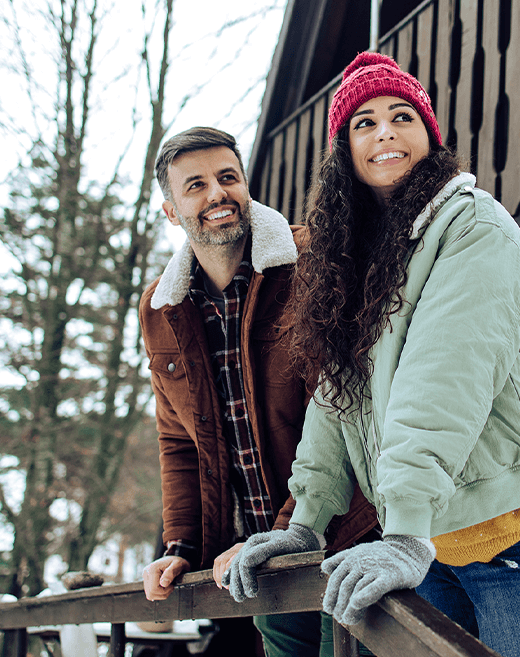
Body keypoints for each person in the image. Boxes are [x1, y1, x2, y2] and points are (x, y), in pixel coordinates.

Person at [227, 53, 520, 657]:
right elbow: (335, 397)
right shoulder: (356, 258)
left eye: (402, 116)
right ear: (345, 149)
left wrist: (404, 529)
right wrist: (305, 523)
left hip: (515, 532)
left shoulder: (475, 229)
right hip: (429, 540)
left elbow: (443, 379)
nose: (385, 132)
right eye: (364, 123)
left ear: (429, 136)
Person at [138, 127, 377, 657]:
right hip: (264, 563)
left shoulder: (313, 261)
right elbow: (178, 441)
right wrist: (182, 547)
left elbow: (345, 406)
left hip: (350, 537)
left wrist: (291, 528)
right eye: (195, 185)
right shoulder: (160, 309)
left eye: (228, 177)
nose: (217, 193)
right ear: (172, 212)